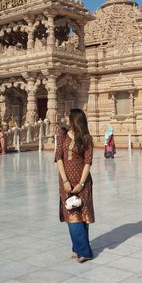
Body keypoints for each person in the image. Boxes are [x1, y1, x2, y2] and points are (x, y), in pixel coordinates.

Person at [55, 108, 95, 263]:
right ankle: (82, 250)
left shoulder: (86, 138)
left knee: (82, 214)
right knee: (72, 213)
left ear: (74, 120)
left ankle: (79, 249)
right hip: (66, 181)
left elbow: (87, 162)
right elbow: (58, 158)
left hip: (83, 181)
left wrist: (81, 183)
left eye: (68, 117)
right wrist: (65, 180)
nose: (66, 119)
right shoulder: (62, 135)